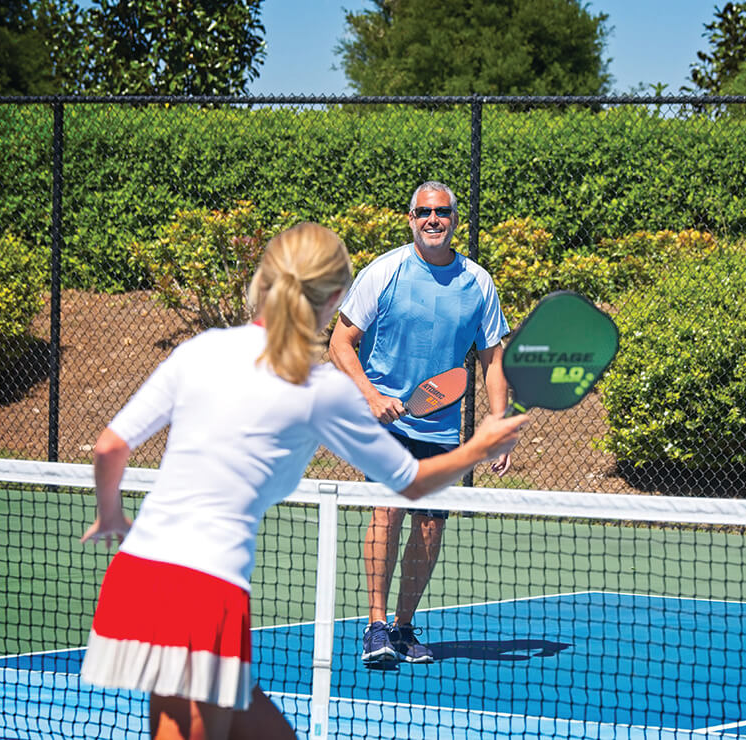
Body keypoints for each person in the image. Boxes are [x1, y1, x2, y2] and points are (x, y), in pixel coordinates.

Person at [79, 222, 526, 740]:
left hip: (137, 573)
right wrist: (478, 447)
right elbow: (411, 482)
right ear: (336, 297)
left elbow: (109, 446)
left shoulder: (199, 351)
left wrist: (110, 513)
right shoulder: (319, 390)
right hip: (204, 585)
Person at [328, 182, 512, 666]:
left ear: (455, 219)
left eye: (442, 212)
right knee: (386, 510)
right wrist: (371, 396)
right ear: (410, 219)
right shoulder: (383, 272)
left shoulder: (479, 283)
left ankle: (405, 628)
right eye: (424, 212)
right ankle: (374, 626)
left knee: (430, 529)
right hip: (385, 424)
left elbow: (494, 358)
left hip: (442, 430)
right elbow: (340, 343)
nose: (433, 219)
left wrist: (498, 422)